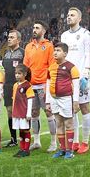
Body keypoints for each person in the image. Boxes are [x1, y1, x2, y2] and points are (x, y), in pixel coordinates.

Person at [61, 7, 90, 154]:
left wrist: (85, 74)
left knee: (84, 107)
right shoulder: (64, 35)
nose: (69, 17)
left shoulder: (86, 34)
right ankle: (75, 141)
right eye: (68, 15)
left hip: (81, 77)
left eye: (72, 15)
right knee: (71, 110)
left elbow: (88, 54)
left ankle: (85, 142)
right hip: (67, 78)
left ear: (79, 18)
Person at [23, 22, 56, 152]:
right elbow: (25, 67)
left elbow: (52, 66)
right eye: (33, 28)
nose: (34, 30)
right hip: (31, 86)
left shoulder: (48, 46)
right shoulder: (28, 46)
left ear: (44, 31)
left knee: (48, 112)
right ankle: (36, 141)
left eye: (37, 28)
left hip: (43, 85)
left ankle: (54, 142)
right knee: (33, 113)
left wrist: (49, 85)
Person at [48, 42, 81, 160]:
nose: (55, 53)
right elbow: (48, 83)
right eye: (55, 50)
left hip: (66, 98)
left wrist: (76, 101)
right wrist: (47, 101)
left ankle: (69, 150)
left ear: (65, 53)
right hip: (54, 99)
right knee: (59, 123)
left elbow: (76, 85)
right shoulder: (51, 67)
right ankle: (62, 149)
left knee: (68, 124)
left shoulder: (71, 67)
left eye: (58, 50)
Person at [2, 30, 25, 148]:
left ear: (19, 40)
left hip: (19, 86)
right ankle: (13, 139)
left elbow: (27, 70)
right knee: (9, 112)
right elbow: (4, 71)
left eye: (12, 37)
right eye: (9, 37)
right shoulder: (6, 54)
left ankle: (23, 138)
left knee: (21, 112)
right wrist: (2, 86)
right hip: (7, 87)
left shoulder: (23, 53)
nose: (9, 39)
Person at [10, 65, 35, 158]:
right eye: (16, 73)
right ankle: (21, 148)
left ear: (24, 74)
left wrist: (28, 113)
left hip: (24, 112)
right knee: (20, 130)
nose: (17, 75)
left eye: (19, 73)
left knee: (25, 130)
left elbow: (30, 99)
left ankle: (26, 150)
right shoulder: (15, 85)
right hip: (16, 112)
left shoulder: (28, 85)